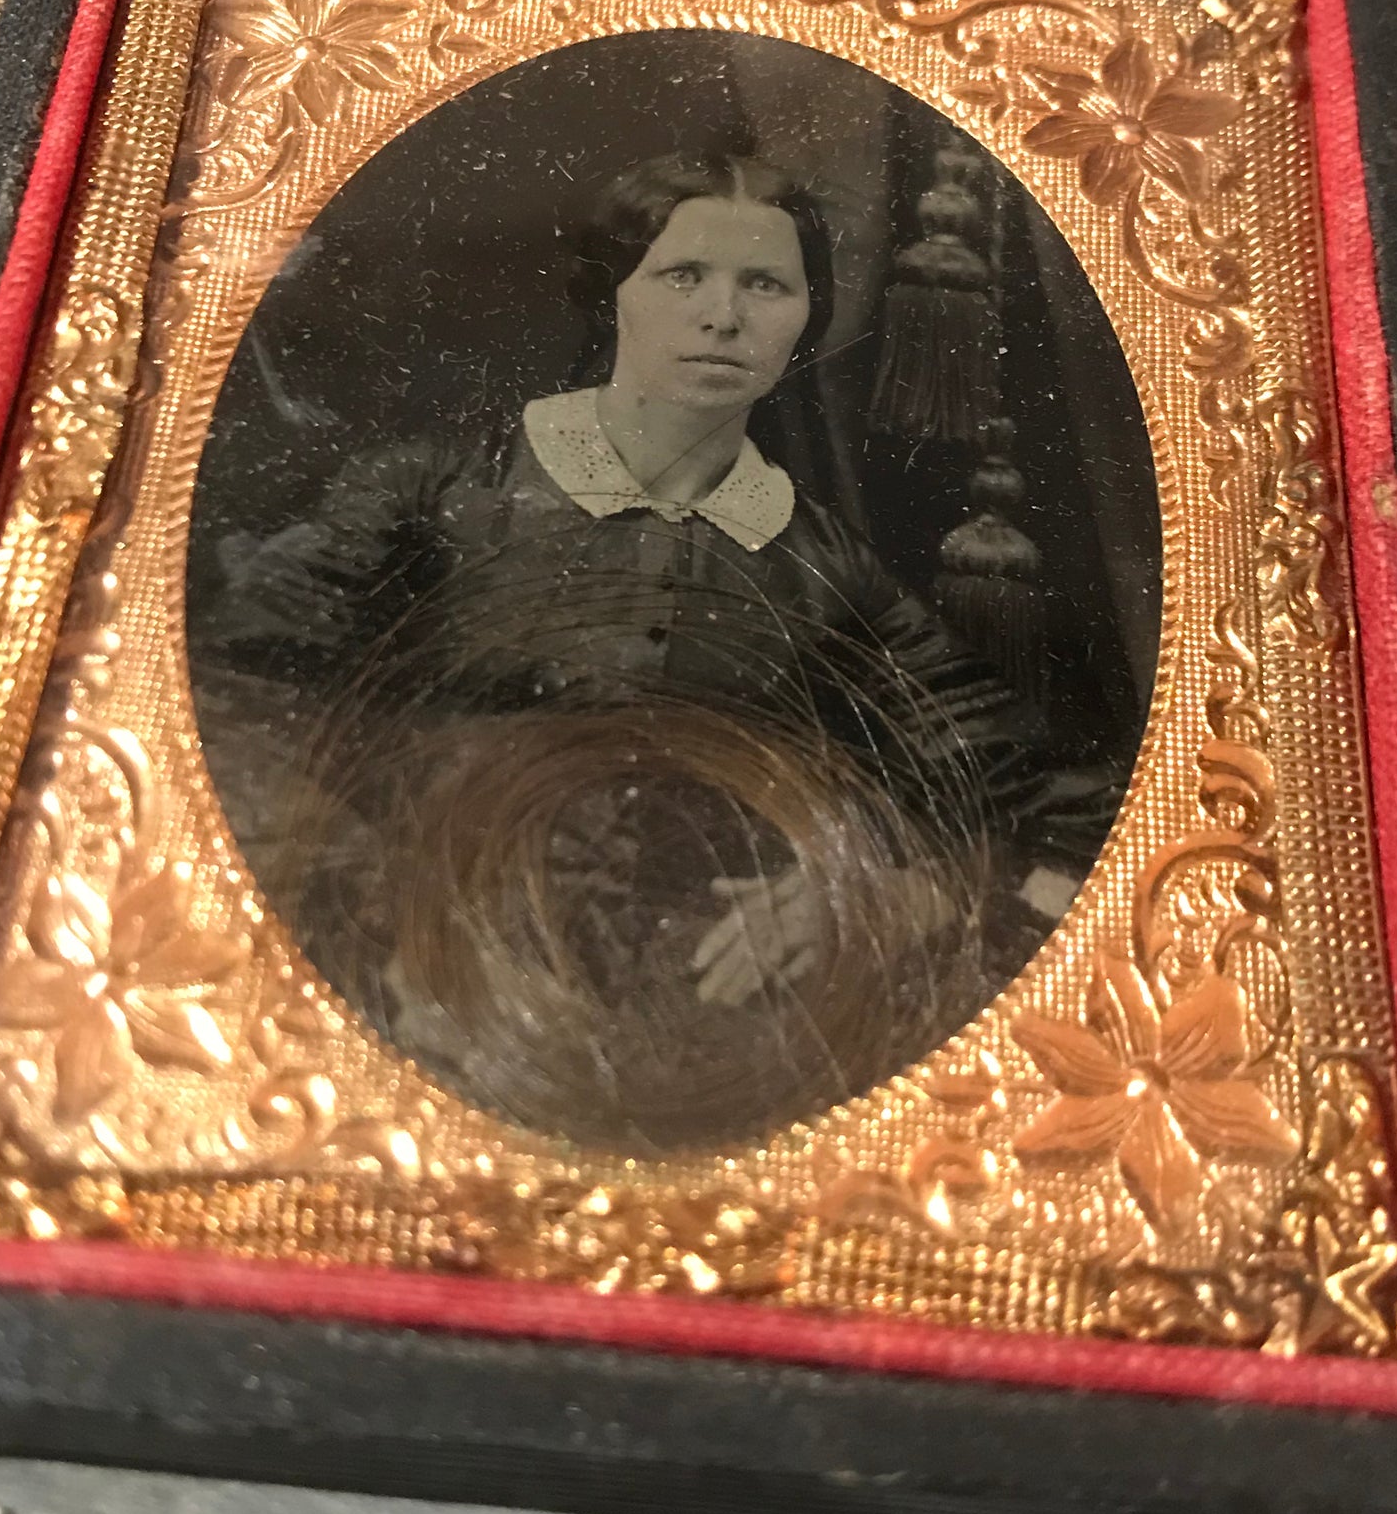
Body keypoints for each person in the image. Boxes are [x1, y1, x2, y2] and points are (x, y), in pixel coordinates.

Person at [194, 150, 1114, 1150]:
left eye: (764, 285)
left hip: (708, 1064)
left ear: (805, 319)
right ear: (614, 295)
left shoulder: (819, 563)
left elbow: (1054, 800)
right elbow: (238, 705)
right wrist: (389, 904)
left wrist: (886, 894)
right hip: (396, 1019)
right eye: (684, 277)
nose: (723, 317)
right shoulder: (437, 492)